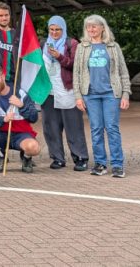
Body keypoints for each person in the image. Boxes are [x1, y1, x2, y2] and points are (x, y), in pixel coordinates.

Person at [73, 14, 131, 178]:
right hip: (90, 95)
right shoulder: (82, 47)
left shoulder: (113, 47)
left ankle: (118, 165)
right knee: (96, 129)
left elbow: (123, 72)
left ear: (102, 28)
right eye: (88, 27)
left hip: (111, 94)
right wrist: (78, 96)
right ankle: (100, 164)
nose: (91, 29)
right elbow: (77, 73)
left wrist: (125, 94)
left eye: (94, 26)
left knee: (112, 129)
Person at [41, 16, 89, 171]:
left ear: (63, 29)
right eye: (52, 29)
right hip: (48, 92)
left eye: (58, 30)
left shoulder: (72, 43)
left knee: (73, 126)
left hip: (67, 90)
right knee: (51, 127)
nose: (54, 32)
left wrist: (59, 57)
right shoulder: (43, 44)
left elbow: (76, 65)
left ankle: (80, 157)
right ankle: (57, 158)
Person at [0, 65, 41, 173]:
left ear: (2, 76)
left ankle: (26, 158)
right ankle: (0, 156)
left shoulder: (20, 93)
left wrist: (21, 105)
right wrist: (3, 120)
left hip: (21, 135)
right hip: (1, 134)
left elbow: (34, 117)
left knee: (34, 148)